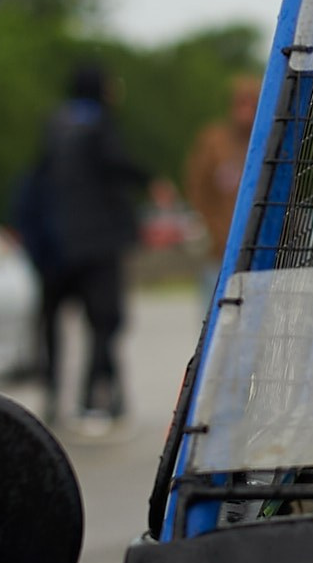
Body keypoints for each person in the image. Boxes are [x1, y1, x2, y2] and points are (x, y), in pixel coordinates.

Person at [20, 61, 154, 434]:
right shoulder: (100, 124)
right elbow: (114, 164)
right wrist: (149, 180)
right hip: (96, 244)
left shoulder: (55, 123)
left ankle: (53, 394)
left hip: (54, 245)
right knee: (104, 323)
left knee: (52, 323)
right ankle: (93, 398)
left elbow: (39, 175)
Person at [181, 73, 262, 292]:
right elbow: (196, 187)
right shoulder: (213, 141)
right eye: (241, 104)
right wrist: (209, 228)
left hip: (258, 248)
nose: (246, 112)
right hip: (219, 250)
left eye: (252, 105)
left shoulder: (268, 139)